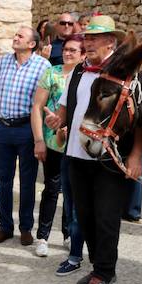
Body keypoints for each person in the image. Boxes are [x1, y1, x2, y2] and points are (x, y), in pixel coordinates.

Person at [45, 16, 133, 284]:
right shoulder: (79, 72)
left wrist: (136, 156)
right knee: (85, 216)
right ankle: (99, 268)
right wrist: (56, 120)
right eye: (87, 38)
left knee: (106, 217)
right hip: (76, 155)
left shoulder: (123, 73)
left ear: (111, 41)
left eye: (95, 37)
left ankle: (105, 273)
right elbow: (64, 108)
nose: (89, 42)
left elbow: (139, 121)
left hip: (108, 157)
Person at [0, 27, 50, 246]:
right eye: (15, 35)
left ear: (32, 44)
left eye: (20, 36)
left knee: (28, 181)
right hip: (2, 128)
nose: (15, 38)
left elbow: (45, 101)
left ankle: (25, 228)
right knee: (3, 179)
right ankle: (4, 227)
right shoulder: (3, 62)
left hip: (26, 129)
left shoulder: (43, 66)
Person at [31, 34, 85, 259]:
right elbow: (37, 107)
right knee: (51, 190)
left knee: (73, 194)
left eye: (73, 50)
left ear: (83, 55)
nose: (68, 53)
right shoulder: (51, 73)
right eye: (66, 49)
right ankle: (43, 236)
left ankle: (68, 234)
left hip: (76, 144)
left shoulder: (85, 77)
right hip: (53, 143)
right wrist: (39, 140)